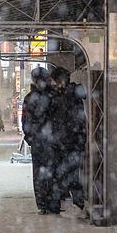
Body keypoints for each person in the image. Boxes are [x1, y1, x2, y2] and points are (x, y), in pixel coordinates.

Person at [50, 67, 88, 219]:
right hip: (73, 141)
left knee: (73, 175)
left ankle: (79, 206)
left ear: (62, 82)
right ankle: (78, 205)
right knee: (72, 174)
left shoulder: (67, 97)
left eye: (54, 81)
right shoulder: (71, 95)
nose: (52, 84)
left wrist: (63, 140)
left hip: (71, 142)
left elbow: (66, 122)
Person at [23, 67, 56, 214]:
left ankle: (43, 204)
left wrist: (30, 138)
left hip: (38, 141)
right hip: (50, 140)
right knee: (51, 171)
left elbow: (26, 122)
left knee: (39, 173)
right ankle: (50, 203)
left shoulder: (30, 98)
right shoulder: (52, 96)